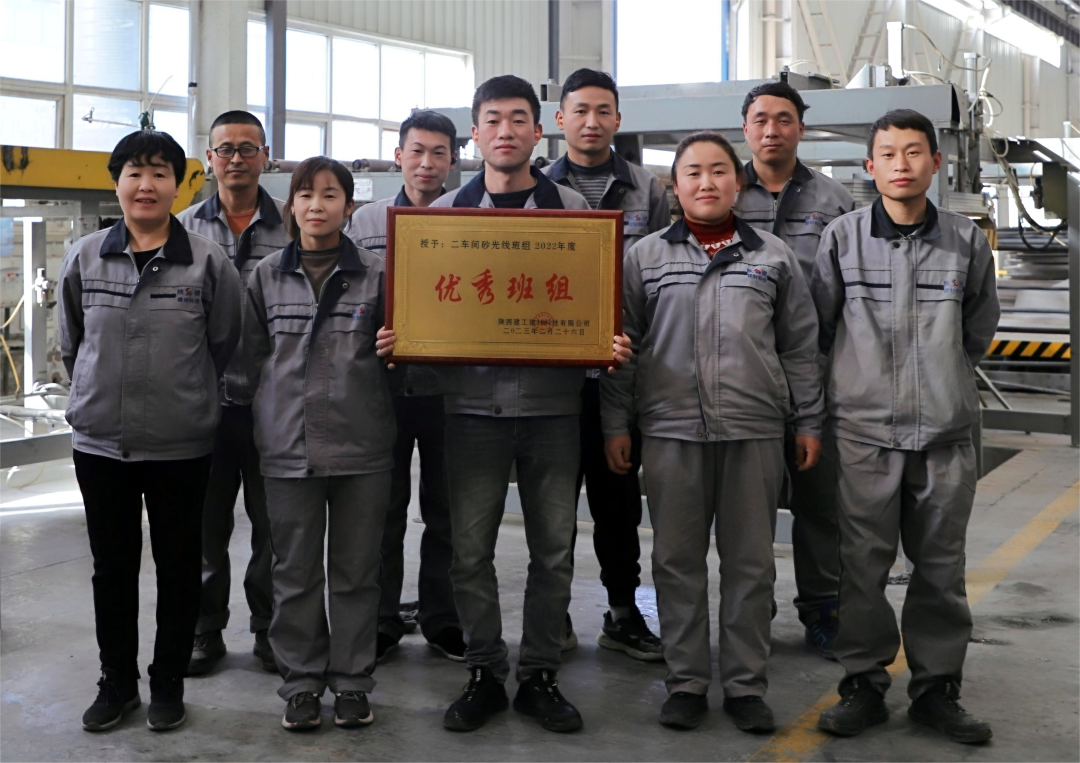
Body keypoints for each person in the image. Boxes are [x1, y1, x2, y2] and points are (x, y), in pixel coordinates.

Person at [423, 75, 631, 733]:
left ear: (538, 132)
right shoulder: (443, 218)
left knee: (553, 551)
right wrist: (405, 337)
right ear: (475, 134)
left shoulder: (573, 213)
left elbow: (598, 302)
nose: (506, 131)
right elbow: (428, 310)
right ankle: (485, 671)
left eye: (518, 119)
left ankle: (539, 673)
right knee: (469, 552)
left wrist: (607, 337)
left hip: (552, 410)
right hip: (471, 411)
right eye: (493, 120)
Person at [602, 131, 824, 732]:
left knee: (751, 565)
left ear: (739, 182)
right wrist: (617, 423)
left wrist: (807, 420)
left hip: (754, 429)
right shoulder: (644, 258)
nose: (707, 182)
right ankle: (687, 683)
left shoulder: (773, 257)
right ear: (675, 187)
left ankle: (747, 686)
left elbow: (800, 347)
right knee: (676, 563)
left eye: (719, 170)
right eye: (693, 172)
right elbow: (623, 348)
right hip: (670, 430)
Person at [812, 110, 998, 745]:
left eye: (914, 152)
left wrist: (943, 380)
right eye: (888, 153)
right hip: (863, 434)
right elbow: (821, 329)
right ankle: (863, 684)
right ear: (870, 166)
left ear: (935, 162)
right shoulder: (841, 239)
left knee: (941, 568)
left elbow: (977, 329)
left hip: (944, 434)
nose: (901, 164)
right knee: (861, 567)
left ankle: (936, 689)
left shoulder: (966, 241)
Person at [59, 130, 241, 732]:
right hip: (101, 444)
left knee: (179, 567)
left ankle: (167, 683)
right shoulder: (86, 256)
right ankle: (117, 683)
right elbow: (72, 343)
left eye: (160, 172)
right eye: (134, 172)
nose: (146, 185)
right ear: (117, 182)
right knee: (111, 569)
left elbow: (223, 343)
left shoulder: (207, 261)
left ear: (177, 185)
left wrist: (187, 397)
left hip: (180, 445)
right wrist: (96, 391)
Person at [245, 156, 397, 731]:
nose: (317, 205)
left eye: (330, 195)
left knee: (357, 573)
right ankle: (302, 684)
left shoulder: (379, 276)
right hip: (287, 447)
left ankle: (353, 682)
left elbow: (401, 362)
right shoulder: (265, 277)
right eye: (306, 194)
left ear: (349, 207)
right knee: (295, 572)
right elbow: (249, 359)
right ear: (292, 206)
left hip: (362, 447)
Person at [543, 67, 668, 661]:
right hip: (555, 379)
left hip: (621, 377)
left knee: (617, 502)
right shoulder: (539, 189)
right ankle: (554, 613)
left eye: (602, 111)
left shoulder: (650, 191)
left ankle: (622, 613)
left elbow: (668, 272)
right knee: (552, 504)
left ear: (618, 119)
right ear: (560, 120)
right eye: (580, 111)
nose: (591, 122)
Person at [735, 81, 855, 660]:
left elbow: (848, 293)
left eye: (784, 119)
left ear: (801, 129)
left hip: (816, 375)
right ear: (745, 128)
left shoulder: (833, 200)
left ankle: (823, 609)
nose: (771, 130)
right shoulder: (724, 190)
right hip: (742, 378)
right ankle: (752, 609)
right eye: (760, 119)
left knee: (818, 503)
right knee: (746, 507)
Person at [347, 110, 465, 664]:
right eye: (416, 151)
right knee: (381, 510)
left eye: (439, 153)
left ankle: (444, 619)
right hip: (383, 389)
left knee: (448, 511)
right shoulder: (367, 221)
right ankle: (380, 620)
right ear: (398, 156)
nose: (426, 163)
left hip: (450, 389)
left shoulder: (470, 216)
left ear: (453, 160)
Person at [177, 110, 291, 677]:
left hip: (276, 404)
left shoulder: (293, 224)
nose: (237, 158)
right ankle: (204, 628)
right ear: (209, 158)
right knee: (204, 526)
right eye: (226, 149)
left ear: (265, 156)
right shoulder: (182, 229)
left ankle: (271, 628)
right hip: (207, 405)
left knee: (275, 528)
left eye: (249, 148)